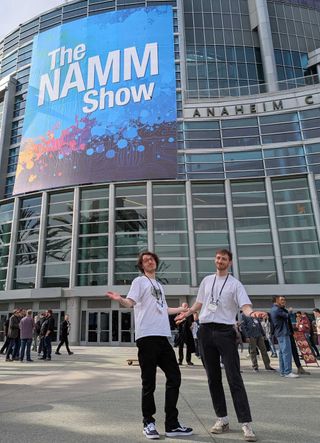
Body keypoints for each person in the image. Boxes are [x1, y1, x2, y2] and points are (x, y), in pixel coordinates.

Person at [176, 249, 265, 442]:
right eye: (218, 258)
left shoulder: (235, 284)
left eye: (224, 259)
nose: (220, 261)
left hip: (225, 332)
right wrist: (187, 313)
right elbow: (199, 303)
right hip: (205, 331)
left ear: (230, 263)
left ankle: (246, 424)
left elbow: (245, 306)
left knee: (234, 378)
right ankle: (222, 419)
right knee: (213, 378)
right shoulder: (207, 281)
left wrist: (252, 313)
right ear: (215, 260)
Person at [107, 251, 193, 440]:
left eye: (152, 259)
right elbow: (130, 303)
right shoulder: (139, 282)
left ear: (156, 262)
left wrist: (181, 310)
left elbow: (163, 309)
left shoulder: (159, 285)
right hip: (146, 337)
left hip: (163, 337)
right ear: (141, 265)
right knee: (149, 383)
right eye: (145, 260)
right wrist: (120, 299)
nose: (150, 261)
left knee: (174, 377)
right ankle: (149, 422)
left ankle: (171, 424)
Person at [269, 296, 299, 379]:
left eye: (284, 300)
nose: (284, 301)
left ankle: (283, 371)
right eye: (281, 300)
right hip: (283, 332)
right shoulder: (277, 309)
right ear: (276, 301)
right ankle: (287, 371)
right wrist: (289, 311)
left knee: (282, 353)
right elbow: (287, 315)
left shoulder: (275, 309)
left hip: (280, 333)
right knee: (286, 352)